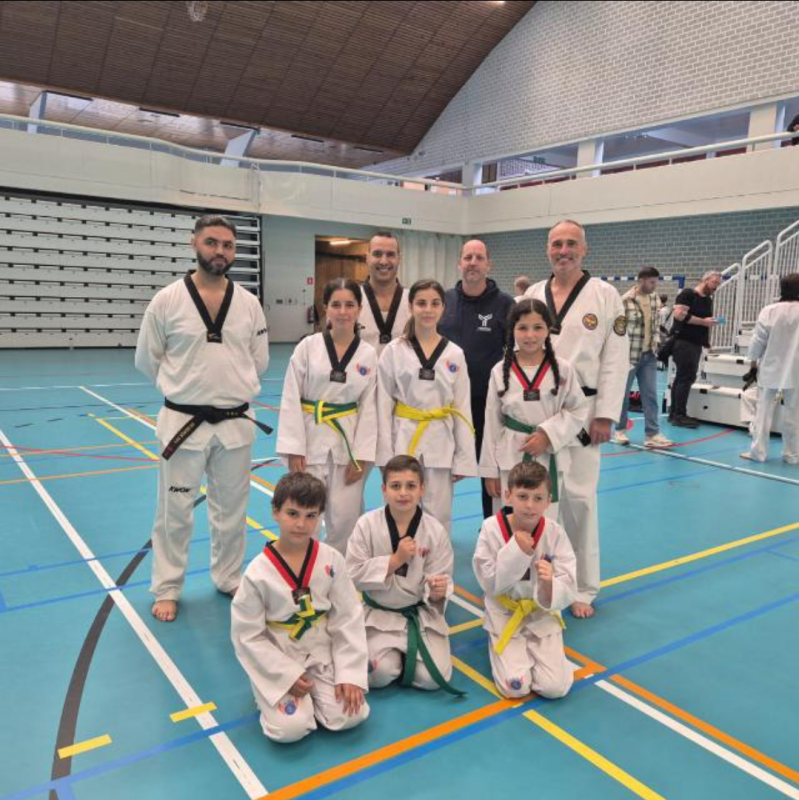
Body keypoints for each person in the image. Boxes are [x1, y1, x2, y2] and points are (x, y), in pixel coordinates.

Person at [135, 214, 270, 623]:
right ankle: (167, 587)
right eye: (212, 242)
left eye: (228, 245)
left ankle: (228, 576)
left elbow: (259, 361)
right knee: (174, 512)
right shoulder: (167, 300)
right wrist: (185, 390)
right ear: (195, 243)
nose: (220, 251)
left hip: (234, 423)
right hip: (183, 423)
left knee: (232, 511)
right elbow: (147, 360)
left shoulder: (248, 304)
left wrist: (225, 388)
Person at [525, 220, 629, 618]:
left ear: (584, 250)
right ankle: (539, 581)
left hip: (585, 413)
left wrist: (606, 414)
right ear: (547, 249)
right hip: (539, 411)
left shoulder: (605, 295)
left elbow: (616, 358)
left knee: (580, 501)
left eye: (571, 244)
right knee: (538, 502)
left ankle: (584, 586)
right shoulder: (533, 293)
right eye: (556, 244)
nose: (563, 251)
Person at [231, 472, 369, 743]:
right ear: (275, 511)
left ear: (320, 517)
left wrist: (350, 672)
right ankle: (270, 693)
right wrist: (285, 676)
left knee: (350, 716)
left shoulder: (331, 560)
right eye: (292, 513)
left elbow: (348, 617)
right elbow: (247, 635)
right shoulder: (258, 573)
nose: (301, 524)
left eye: (311, 515)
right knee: (289, 730)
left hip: (321, 651)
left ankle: (319, 696)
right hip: (280, 655)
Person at [277, 278, 378, 555]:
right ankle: (303, 566)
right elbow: (290, 397)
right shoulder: (307, 347)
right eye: (336, 305)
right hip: (310, 440)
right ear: (325, 308)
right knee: (305, 510)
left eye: (350, 305)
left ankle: (339, 570)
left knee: (346, 516)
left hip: (348, 444)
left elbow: (370, 408)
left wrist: (361, 456)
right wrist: (294, 448)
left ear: (359, 309)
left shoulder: (368, 354)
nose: (343, 312)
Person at [345, 455, 462, 695]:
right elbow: (352, 574)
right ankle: (393, 659)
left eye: (410, 486)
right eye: (395, 486)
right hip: (378, 614)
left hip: (419, 614)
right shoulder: (366, 525)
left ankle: (403, 657)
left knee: (432, 680)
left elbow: (441, 578)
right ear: (384, 490)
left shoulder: (434, 531)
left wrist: (437, 592)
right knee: (378, 674)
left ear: (422, 489)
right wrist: (394, 561)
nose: (403, 493)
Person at [377, 279, 477, 535]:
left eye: (435, 303)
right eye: (421, 303)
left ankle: (437, 559)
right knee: (401, 507)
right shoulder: (394, 351)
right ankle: (400, 557)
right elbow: (383, 404)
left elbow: (462, 407)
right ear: (410, 307)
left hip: (441, 440)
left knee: (439, 513)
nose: (428, 309)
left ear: (443, 308)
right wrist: (384, 454)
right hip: (403, 437)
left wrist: (464, 459)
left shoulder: (455, 353)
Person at [473, 462, 577, 700]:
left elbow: (569, 581)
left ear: (548, 501)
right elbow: (488, 583)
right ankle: (501, 645)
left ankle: (539, 656)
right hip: (505, 612)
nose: (530, 505)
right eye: (522, 496)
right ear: (508, 496)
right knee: (515, 687)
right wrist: (517, 552)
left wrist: (550, 584)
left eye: (537, 498)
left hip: (541, 612)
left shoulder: (554, 532)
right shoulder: (491, 529)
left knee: (554, 688)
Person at [480, 298, 587, 519]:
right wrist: (489, 472)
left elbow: (577, 410)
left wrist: (547, 435)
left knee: (545, 523)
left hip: (548, 456)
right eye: (523, 328)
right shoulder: (499, 371)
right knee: (509, 522)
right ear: (512, 330)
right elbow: (491, 423)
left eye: (538, 327)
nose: (530, 335)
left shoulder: (563, 369)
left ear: (548, 329)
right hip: (510, 458)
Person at [439, 240, 515, 520]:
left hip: (487, 405)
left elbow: (516, 352)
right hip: (445, 405)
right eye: (468, 257)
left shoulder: (505, 304)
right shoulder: (444, 301)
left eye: (479, 257)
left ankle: (492, 529)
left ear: (488, 265)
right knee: (438, 471)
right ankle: (432, 530)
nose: (473, 262)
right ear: (459, 263)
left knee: (491, 473)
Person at [740, 273, 799, 464]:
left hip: (771, 368)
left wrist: (753, 364)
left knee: (763, 412)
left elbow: (758, 340)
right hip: (796, 370)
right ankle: (792, 454)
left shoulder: (770, 311)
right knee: (794, 413)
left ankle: (758, 453)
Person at [612, 268, 673, 448]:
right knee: (623, 395)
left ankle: (652, 434)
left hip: (649, 355)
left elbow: (655, 325)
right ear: (641, 281)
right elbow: (617, 330)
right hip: (628, 356)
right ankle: (620, 430)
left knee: (651, 395)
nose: (655, 285)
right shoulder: (625, 301)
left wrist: (656, 344)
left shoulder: (655, 299)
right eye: (652, 282)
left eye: (656, 282)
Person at [669, 271, 722, 428]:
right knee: (685, 378)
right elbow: (679, 315)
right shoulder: (688, 294)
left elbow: (703, 322)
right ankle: (679, 415)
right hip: (683, 342)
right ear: (705, 280)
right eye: (714, 283)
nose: (716, 287)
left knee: (683, 377)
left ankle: (675, 413)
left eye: (718, 284)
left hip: (695, 343)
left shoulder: (707, 300)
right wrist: (704, 322)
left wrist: (705, 341)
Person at [358, 231, 411, 356]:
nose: (383, 261)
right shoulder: (352, 300)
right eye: (377, 254)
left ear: (399, 259)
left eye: (390, 254)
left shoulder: (413, 300)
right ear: (367, 258)